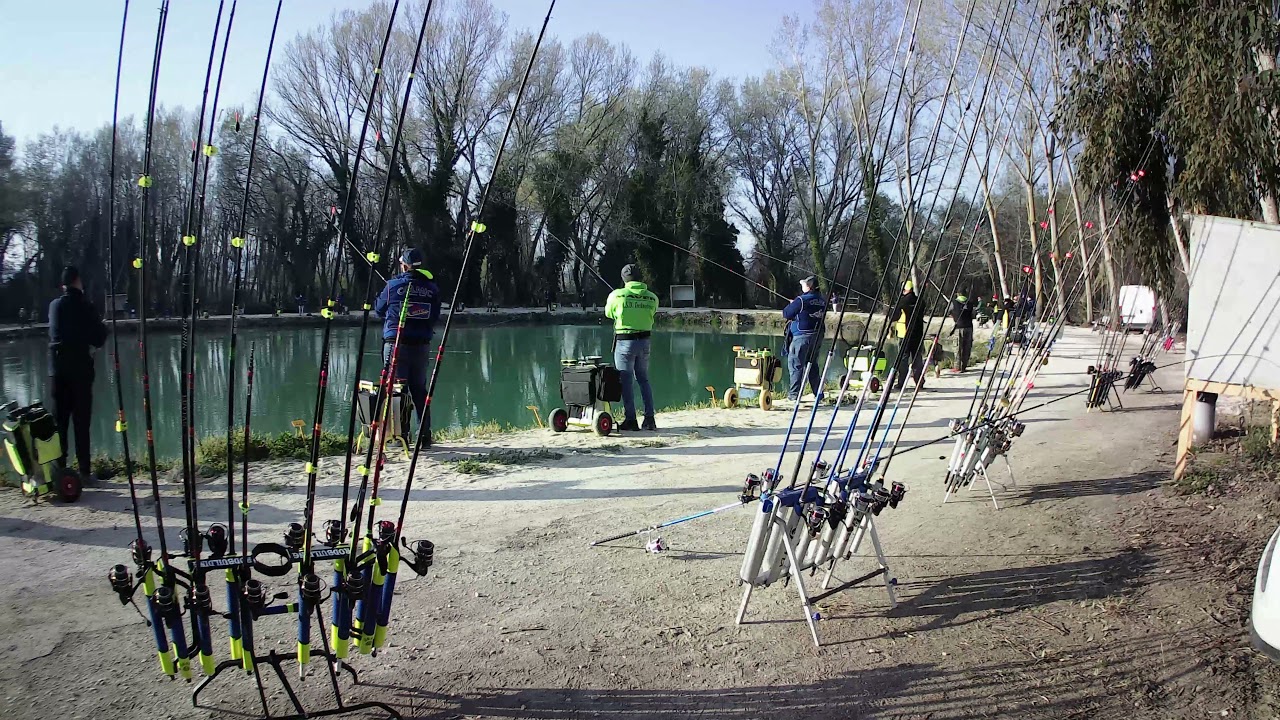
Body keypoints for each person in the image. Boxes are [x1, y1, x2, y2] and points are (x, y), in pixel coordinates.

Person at [48, 265, 107, 482]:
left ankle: (59, 472)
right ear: (77, 281)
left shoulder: (54, 306)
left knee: (60, 424)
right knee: (81, 424)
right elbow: (99, 338)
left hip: (57, 372)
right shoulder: (85, 305)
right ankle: (84, 472)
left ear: (63, 284)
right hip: (80, 373)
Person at [375, 248, 442, 433]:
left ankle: (401, 434)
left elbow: (379, 310)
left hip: (395, 344)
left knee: (397, 390)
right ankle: (424, 434)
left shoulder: (392, 286)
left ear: (404, 266)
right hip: (421, 345)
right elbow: (435, 315)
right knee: (419, 389)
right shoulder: (432, 288)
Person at [605, 264, 659, 431]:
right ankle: (649, 419)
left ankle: (631, 420)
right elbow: (653, 313)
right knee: (643, 379)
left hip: (625, 342)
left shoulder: (617, 295)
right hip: (645, 341)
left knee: (626, 382)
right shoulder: (652, 297)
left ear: (624, 278)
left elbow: (609, 313)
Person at [782, 276, 826, 401]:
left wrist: (793, 304)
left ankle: (794, 395)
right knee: (812, 364)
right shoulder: (822, 300)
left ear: (809, 287)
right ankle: (818, 393)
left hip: (801, 336)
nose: (802, 286)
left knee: (795, 365)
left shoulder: (801, 300)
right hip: (817, 336)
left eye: (804, 284)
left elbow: (786, 313)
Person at [889, 280, 926, 392]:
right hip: (918, 334)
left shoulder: (902, 302)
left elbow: (894, 317)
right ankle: (919, 382)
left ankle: (901, 382)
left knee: (903, 359)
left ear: (904, 289)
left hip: (904, 334)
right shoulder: (920, 302)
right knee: (917, 358)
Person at [948, 291, 975, 373]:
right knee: (967, 347)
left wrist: (954, 315)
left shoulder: (954, 302)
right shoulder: (970, 303)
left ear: (958, 294)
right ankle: (964, 366)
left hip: (959, 327)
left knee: (957, 347)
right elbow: (973, 314)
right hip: (969, 327)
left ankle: (957, 367)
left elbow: (948, 312)